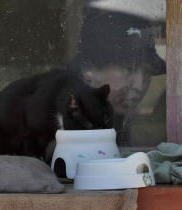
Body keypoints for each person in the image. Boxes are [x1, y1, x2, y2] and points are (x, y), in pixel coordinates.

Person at [69, 9, 166, 145]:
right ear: (88, 71)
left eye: (147, 72)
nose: (139, 85)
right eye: (128, 69)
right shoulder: (64, 129)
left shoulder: (120, 122)